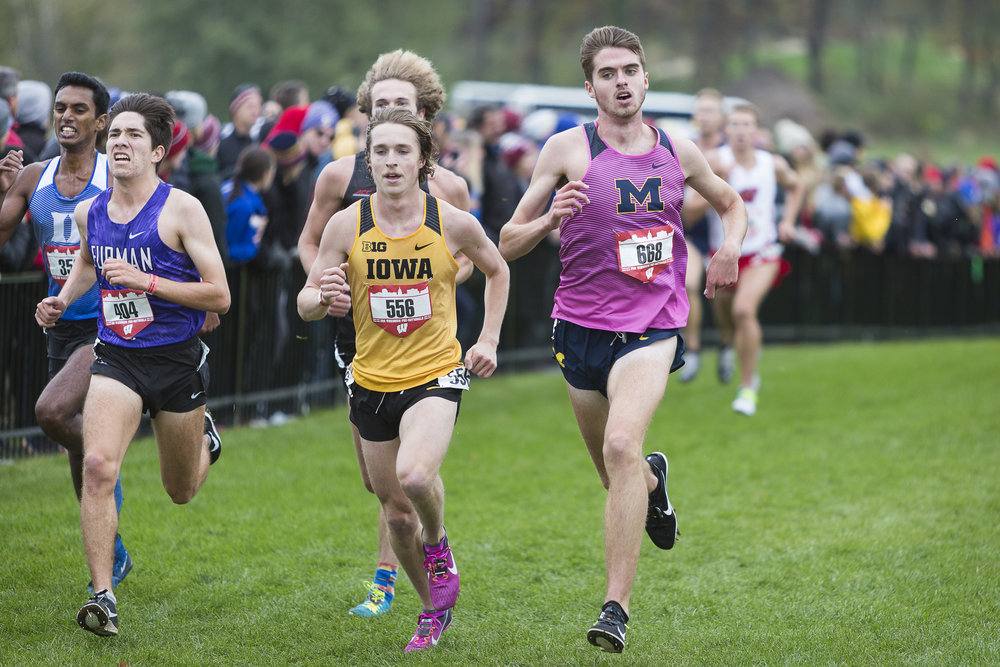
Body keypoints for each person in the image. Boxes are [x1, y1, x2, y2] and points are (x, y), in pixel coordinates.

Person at [498, 26, 747, 653]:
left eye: (630, 70)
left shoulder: (677, 150)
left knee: (619, 443)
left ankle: (615, 608)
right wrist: (551, 216)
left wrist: (730, 250)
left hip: (653, 322)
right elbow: (507, 241)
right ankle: (654, 483)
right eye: (608, 74)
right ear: (590, 87)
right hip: (580, 328)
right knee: (620, 475)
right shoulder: (565, 150)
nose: (622, 82)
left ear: (644, 77)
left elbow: (730, 202)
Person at [298, 108, 508, 652]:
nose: (392, 162)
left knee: (416, 479)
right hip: (370, 379)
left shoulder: (450, 221)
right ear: (369, 160)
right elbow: (305, 301)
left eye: (403, 151)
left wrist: (486, 339)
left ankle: (439, 546)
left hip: (436, 370)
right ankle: (432, 609)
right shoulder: (349, 224)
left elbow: (498, 269)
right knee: (393, 511)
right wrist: (324, 297)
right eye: (382, 152)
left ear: (423, 160)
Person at [34, 93, 230, 637]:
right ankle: (103, 596)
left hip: (175, 362)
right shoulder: (89, 211)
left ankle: (205, 441)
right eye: (115, 133)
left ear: (157, 151)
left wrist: (148, 281)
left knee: (181, 490)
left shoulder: (181, 209)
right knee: (97, 468)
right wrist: (60, 297)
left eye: (133, 136)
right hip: (116, 356)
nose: (120, 142)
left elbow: (220, 295)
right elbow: (89, 265)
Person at [0, 72, 135, 594]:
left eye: (80, 109)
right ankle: (114, 548)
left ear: (101, 122)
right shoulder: (34, 176)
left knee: (52, 413)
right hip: (61, 323)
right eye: (61, 108)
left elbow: (165, 225)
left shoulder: (115, 175)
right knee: (75, 446)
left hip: (112, 321)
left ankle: (123, 453)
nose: (66, 117)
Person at [702, 104, 803, 416]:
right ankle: (727, 341)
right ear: (726, 130)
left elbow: (797, 185)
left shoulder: (771, 164)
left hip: (762, 250)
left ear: (757, 131)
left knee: (744, 310)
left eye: (747, 124)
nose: (741, 130)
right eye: (735, 124)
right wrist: (716, 180)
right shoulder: (714, 162)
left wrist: (788, 220)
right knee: (724, 311)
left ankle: (747, 387)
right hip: (724, 252)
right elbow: (688, 203)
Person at [680, 87, 727, 383]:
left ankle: (726, 344)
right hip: (692, 235)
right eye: (701, 110)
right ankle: (693, 350)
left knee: (728, 301)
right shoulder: (685, 148)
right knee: (688, 285)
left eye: (711, 110)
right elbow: (686, 210)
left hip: (724, 235)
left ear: (722, 117)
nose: (705, 116)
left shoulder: (730, 152)